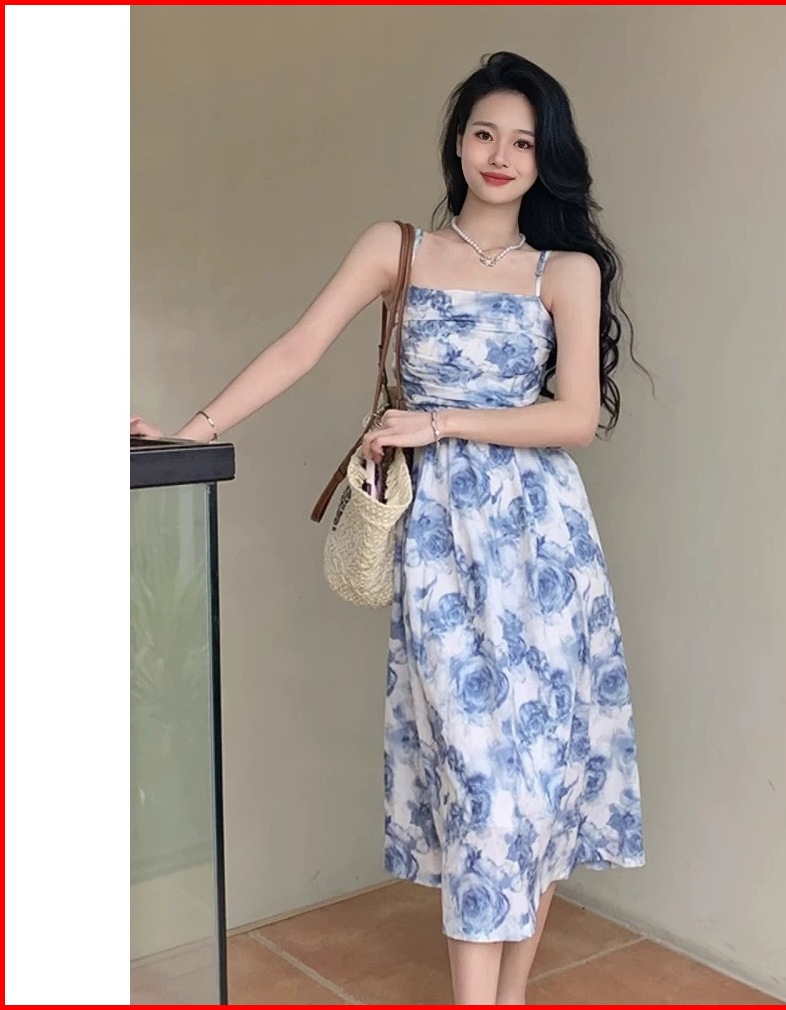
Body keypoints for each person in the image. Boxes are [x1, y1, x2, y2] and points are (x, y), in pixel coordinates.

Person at [131, 51, 645, 1006]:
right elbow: (299, 346)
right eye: (485, 133)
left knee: (537, 781)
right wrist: (187, 434)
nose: (501, 155)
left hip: (543, 545)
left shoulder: (564, 270)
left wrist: (439, 421)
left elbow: (575, 417)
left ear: (547, 159)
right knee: (479, 778)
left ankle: (508, 998)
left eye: (524, 142)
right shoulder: (397, 248)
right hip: (440, 543)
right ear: (459, 141)